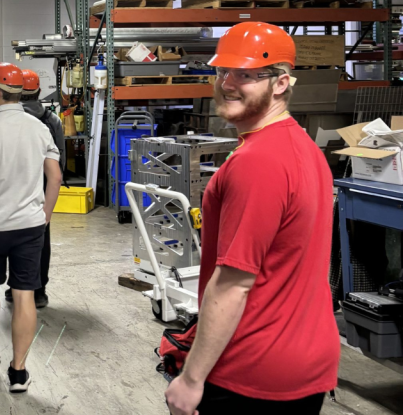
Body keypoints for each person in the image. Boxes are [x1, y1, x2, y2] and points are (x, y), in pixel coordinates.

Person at [164, 22, 340, 415]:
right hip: (305, 358)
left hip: (255, 367)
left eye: (245, 74)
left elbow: (233, 285)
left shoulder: (256, 162)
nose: (227, 83)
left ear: (280, 84)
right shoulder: (305, 149)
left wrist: (191, 380)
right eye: (222, 71)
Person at [0, 62, 62, 393]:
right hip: (30, 226)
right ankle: (18, 371)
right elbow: (56, 176)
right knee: (24, 295)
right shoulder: (40, 128)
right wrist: (45, 213)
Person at [2, 69, 64, 309]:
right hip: (44, 184)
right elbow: (60, 160)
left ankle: (16, 287)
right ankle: (39, 291)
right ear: (38, 91)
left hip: (14, 184)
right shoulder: (52, 120)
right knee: (41, 236)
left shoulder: (7, 120)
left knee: (12, 235)